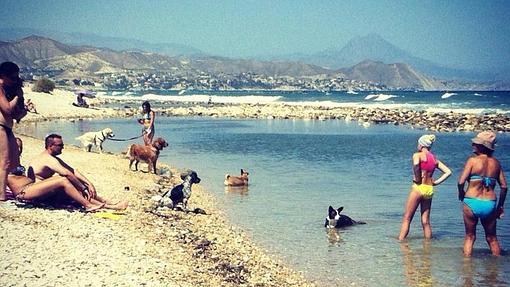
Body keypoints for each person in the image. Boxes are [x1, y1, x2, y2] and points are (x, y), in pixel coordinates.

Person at [27, 133, 128, 210]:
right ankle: (109, 207)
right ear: (50, 146)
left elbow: (72, 170)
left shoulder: (51, 157)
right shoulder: (48, 159)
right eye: (60, 145)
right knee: (71, 184)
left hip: (46, 190)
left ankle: (108, 202)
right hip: (38, 195)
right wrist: (83, 188)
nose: (63, 147)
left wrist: (89, 183)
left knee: (75, 184)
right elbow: (66, 174)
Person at [457, 131, 507, 256]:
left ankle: (467, 271)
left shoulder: (472, 161)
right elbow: (504, 187)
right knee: (492, 238)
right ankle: (495, 271)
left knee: (470, 237)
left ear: (482, 146)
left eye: (476, 143)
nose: (473, 144)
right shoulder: (496, 163)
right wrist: (500, 206)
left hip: (471, 201)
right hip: (489, 204)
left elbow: (460, 181)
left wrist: (461, 193)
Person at [398, 134, 452, 240]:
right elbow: (448, 172)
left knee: (407, 218)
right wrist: (436, 182)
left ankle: (401, 241)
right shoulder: (434, 159)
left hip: (419, 188)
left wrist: (417, 178)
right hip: (429, 189)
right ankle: (428, 246)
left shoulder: (417, 155)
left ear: (421, 145)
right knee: (425, 221)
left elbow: (416, 165)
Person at [0, 61, 23, 201]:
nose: (14, 81)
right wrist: (17, 96)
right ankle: (1, 196)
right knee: (5, 162)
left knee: (14, 162)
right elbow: (7, 108)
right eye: (13, 77)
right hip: (0, 126)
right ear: (4, 75)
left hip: (7, 127)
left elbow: (14, 114)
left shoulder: (6, 89)